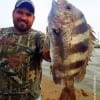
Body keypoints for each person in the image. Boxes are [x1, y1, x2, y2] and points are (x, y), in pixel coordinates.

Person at [0, 0, 50, 100]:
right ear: (13, 13)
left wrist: (57, 40)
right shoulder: (1, 33)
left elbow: (50, 56)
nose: (23, 17)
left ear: (33, 18)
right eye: (20, 12)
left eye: (28, 14)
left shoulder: (39, 37)